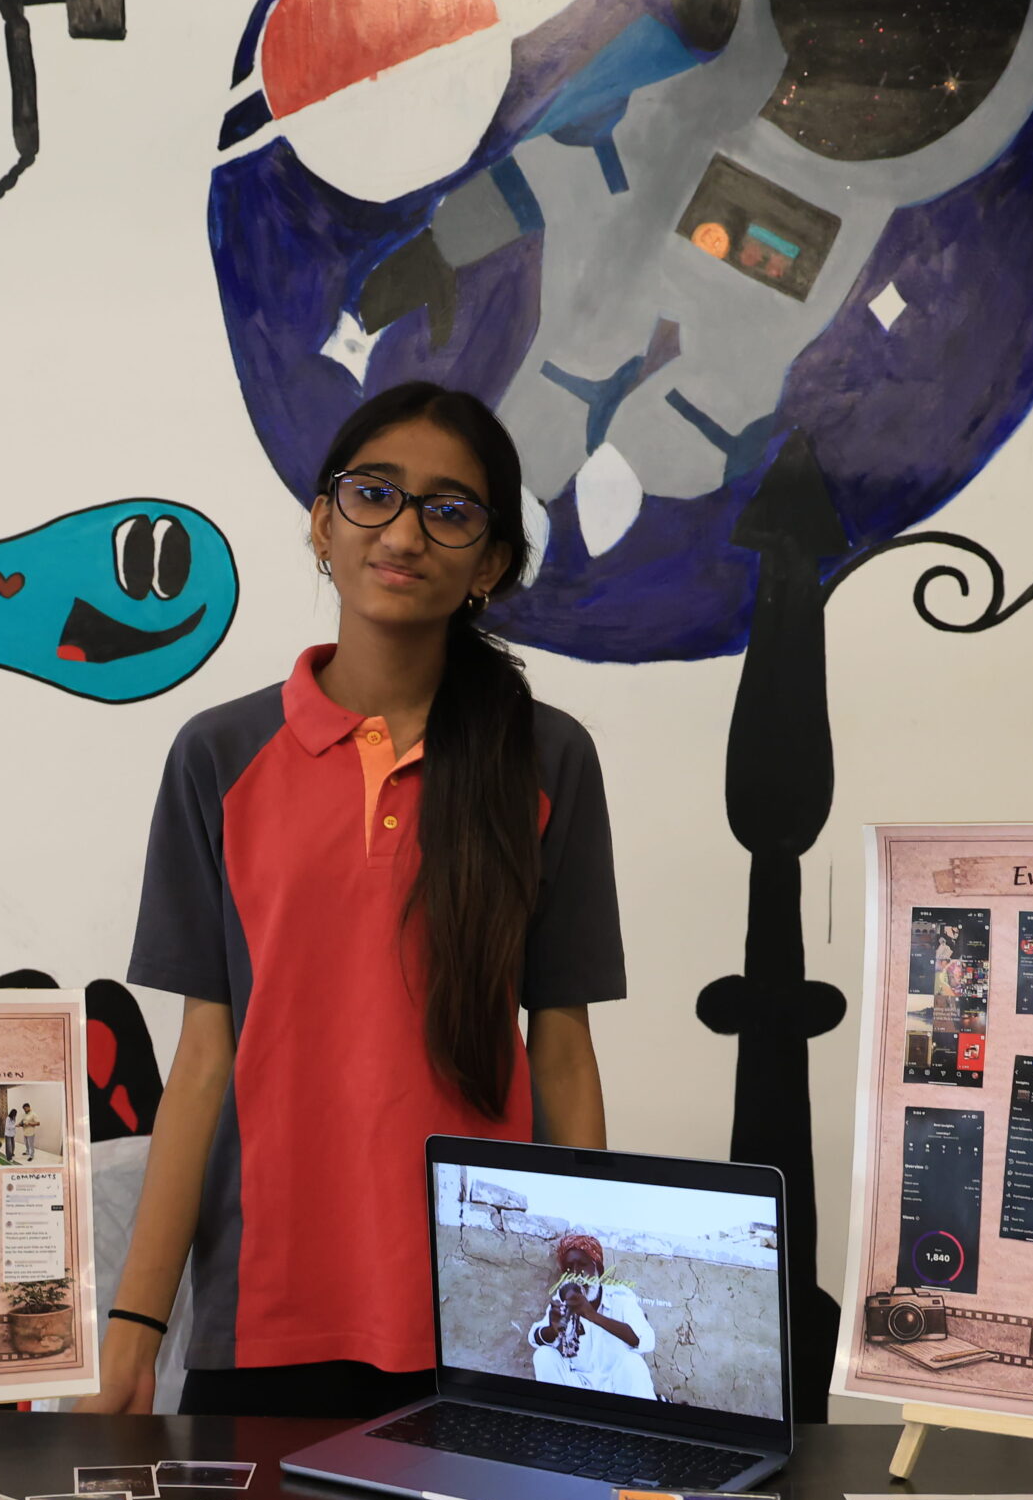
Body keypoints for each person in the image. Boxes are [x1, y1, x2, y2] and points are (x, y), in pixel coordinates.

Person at [82, 383, 626, 1419]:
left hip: (488, 1312)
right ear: (322, 524)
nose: (405, 532)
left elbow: (562, 1053)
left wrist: (582, 1302)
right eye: (374, 494)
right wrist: (134, 1331)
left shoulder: (548, 758)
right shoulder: (218, 756)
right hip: (266, 1308)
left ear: (491, 563)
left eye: (449, 510)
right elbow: (204, 1060)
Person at [529, 1232, 654, 1398]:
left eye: (582, 1264)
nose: (576, 1273)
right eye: (569, 1267)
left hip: (616, 1384)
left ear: (598, 1270)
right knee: (543, 1356)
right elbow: (534, 1338)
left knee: (634, 1363)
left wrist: (592, 1315)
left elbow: (647, 1341)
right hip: (577, 1383)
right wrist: (552, 1330)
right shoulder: (564, 1297)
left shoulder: (620, 1297)